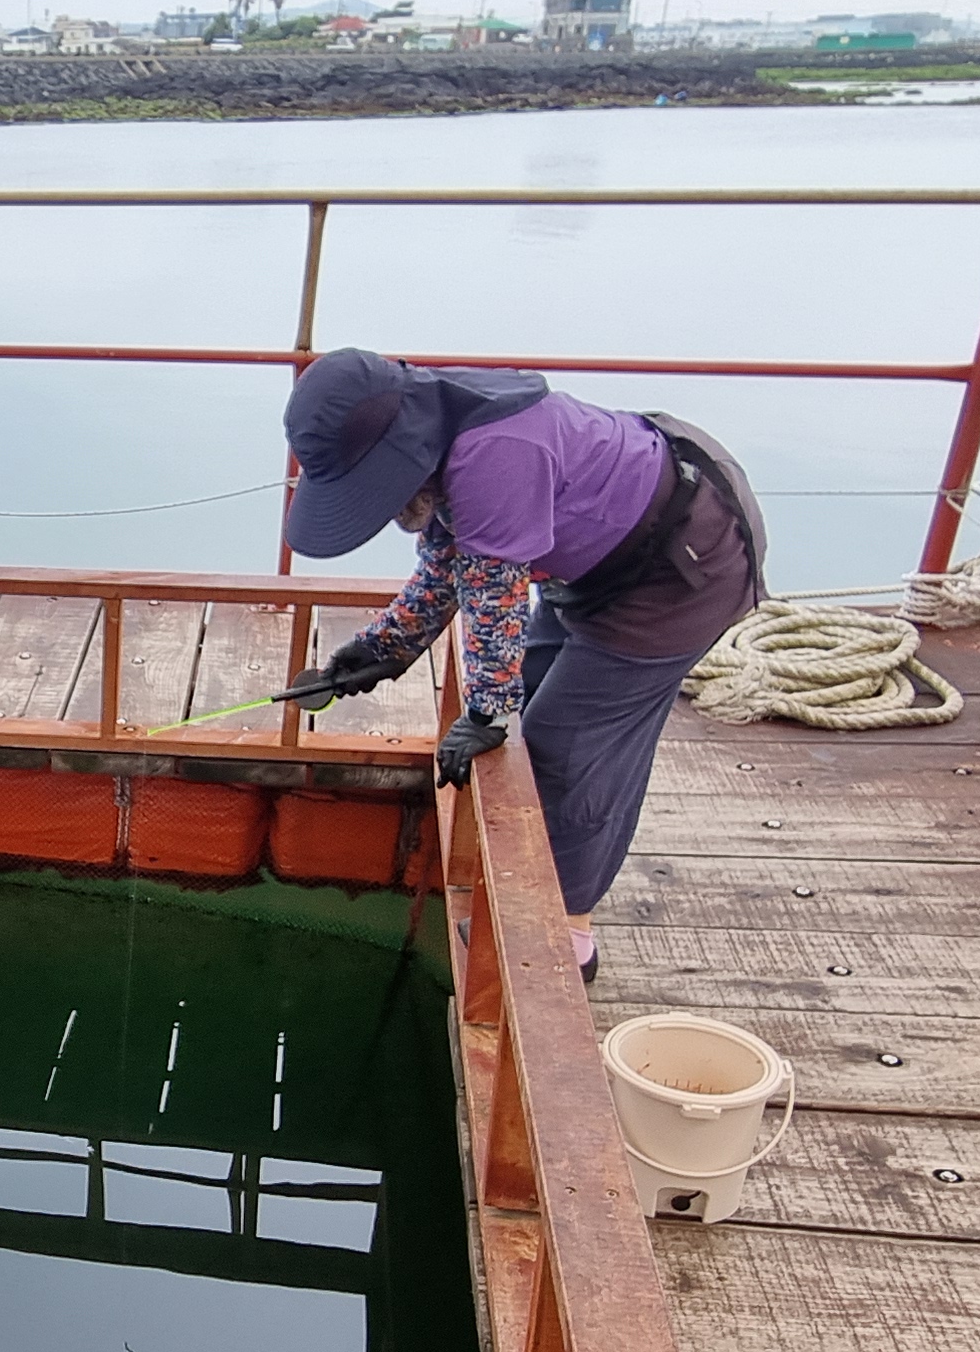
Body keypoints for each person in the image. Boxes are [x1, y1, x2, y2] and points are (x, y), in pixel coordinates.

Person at [275, 350, 766, 978]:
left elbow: (491, 593)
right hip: (595, 560)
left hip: (679, 571)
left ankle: (566, 934)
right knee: (527, 690)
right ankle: (531, 874)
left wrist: (486, 711)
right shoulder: (435, 425)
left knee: (567, 745)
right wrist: (378, 653)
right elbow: (447, 566)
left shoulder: (494, 454)